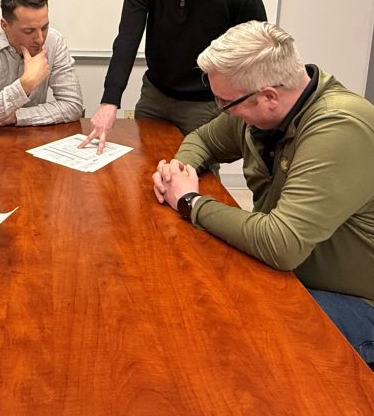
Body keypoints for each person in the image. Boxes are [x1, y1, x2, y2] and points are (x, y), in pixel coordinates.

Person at [152, 21, 374, 367]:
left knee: (229, 348)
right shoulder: (258, 109)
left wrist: (190, 202)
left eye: (225, 102)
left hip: (353, 301)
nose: (221, 109)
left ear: (269, 96)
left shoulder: (340, 127)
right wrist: (180, 171)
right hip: (283, 275)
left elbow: (281, 244)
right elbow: (203, 140)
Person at [81, 0, 267, 153]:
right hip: (155, 96)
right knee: (145, 166)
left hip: (205, 105)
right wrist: (109, 100)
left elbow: (257, 58)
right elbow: (127, 39)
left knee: (196, 174)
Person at [0, 0, 83, 133]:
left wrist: (17, 116)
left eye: (44, 27)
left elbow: (73, 105)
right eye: (29, 31)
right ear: (4, 25)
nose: (40, 39)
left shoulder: (54, 41)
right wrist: (25, 85)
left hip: (32, 136)